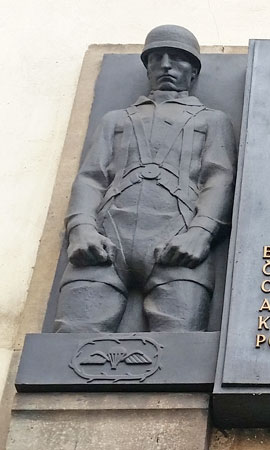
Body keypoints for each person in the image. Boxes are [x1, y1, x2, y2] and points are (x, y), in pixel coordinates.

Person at [53, 25, 237, 332]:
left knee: (179, 352)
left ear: (193, 72)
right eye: (157, 58)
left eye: (177, 58)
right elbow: (90, 178)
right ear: (147, 66)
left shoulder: (212, 120)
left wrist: (200, 233)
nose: (166, 65)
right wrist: (81, 228)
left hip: (176, 239)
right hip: (107, 240)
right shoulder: (116, 119)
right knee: (67, 346)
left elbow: (219, 178)